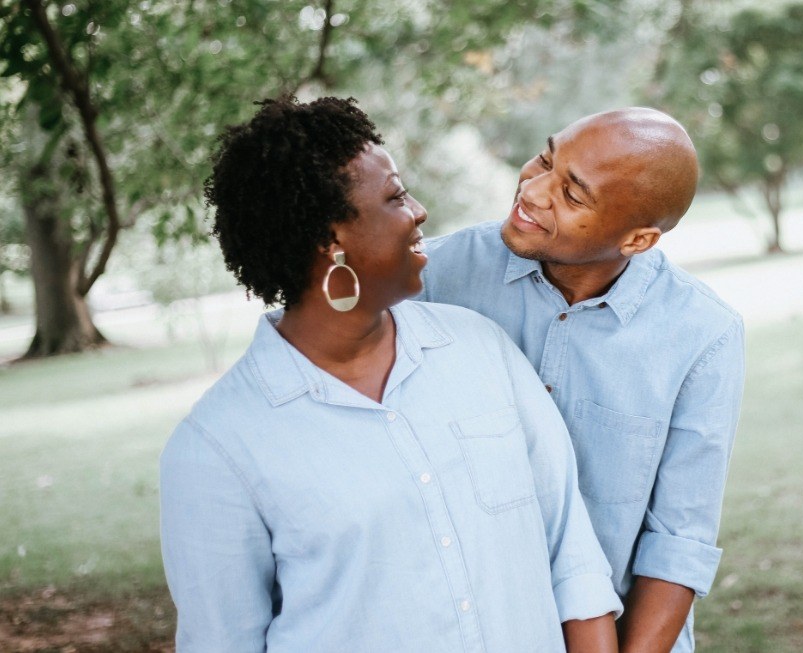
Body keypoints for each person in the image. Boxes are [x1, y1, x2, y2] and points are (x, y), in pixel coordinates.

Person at [159, 96, 624, 652]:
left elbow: (573, 562)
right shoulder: (217, 448)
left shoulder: (481, 349)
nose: (419, 210)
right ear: (331, 242)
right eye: (396, 196)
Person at [420, 108, 745, 652]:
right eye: (546, 160)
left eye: (572, 195)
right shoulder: (432, 279)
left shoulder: (704, 335)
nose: (534, 190)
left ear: (638, 240)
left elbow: (678, 541)